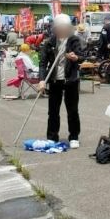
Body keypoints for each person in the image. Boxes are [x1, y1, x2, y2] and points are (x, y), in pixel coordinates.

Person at [37, 14, 83, 148]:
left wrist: (75, 57)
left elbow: (82, 55)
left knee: (72, 110)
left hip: (71, 80)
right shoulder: (49, 43)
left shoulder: (74, 40)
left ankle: (74, 136)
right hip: (55, 80)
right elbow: (43, 63)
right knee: (53, 111)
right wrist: (42, 80)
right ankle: (52, 136)